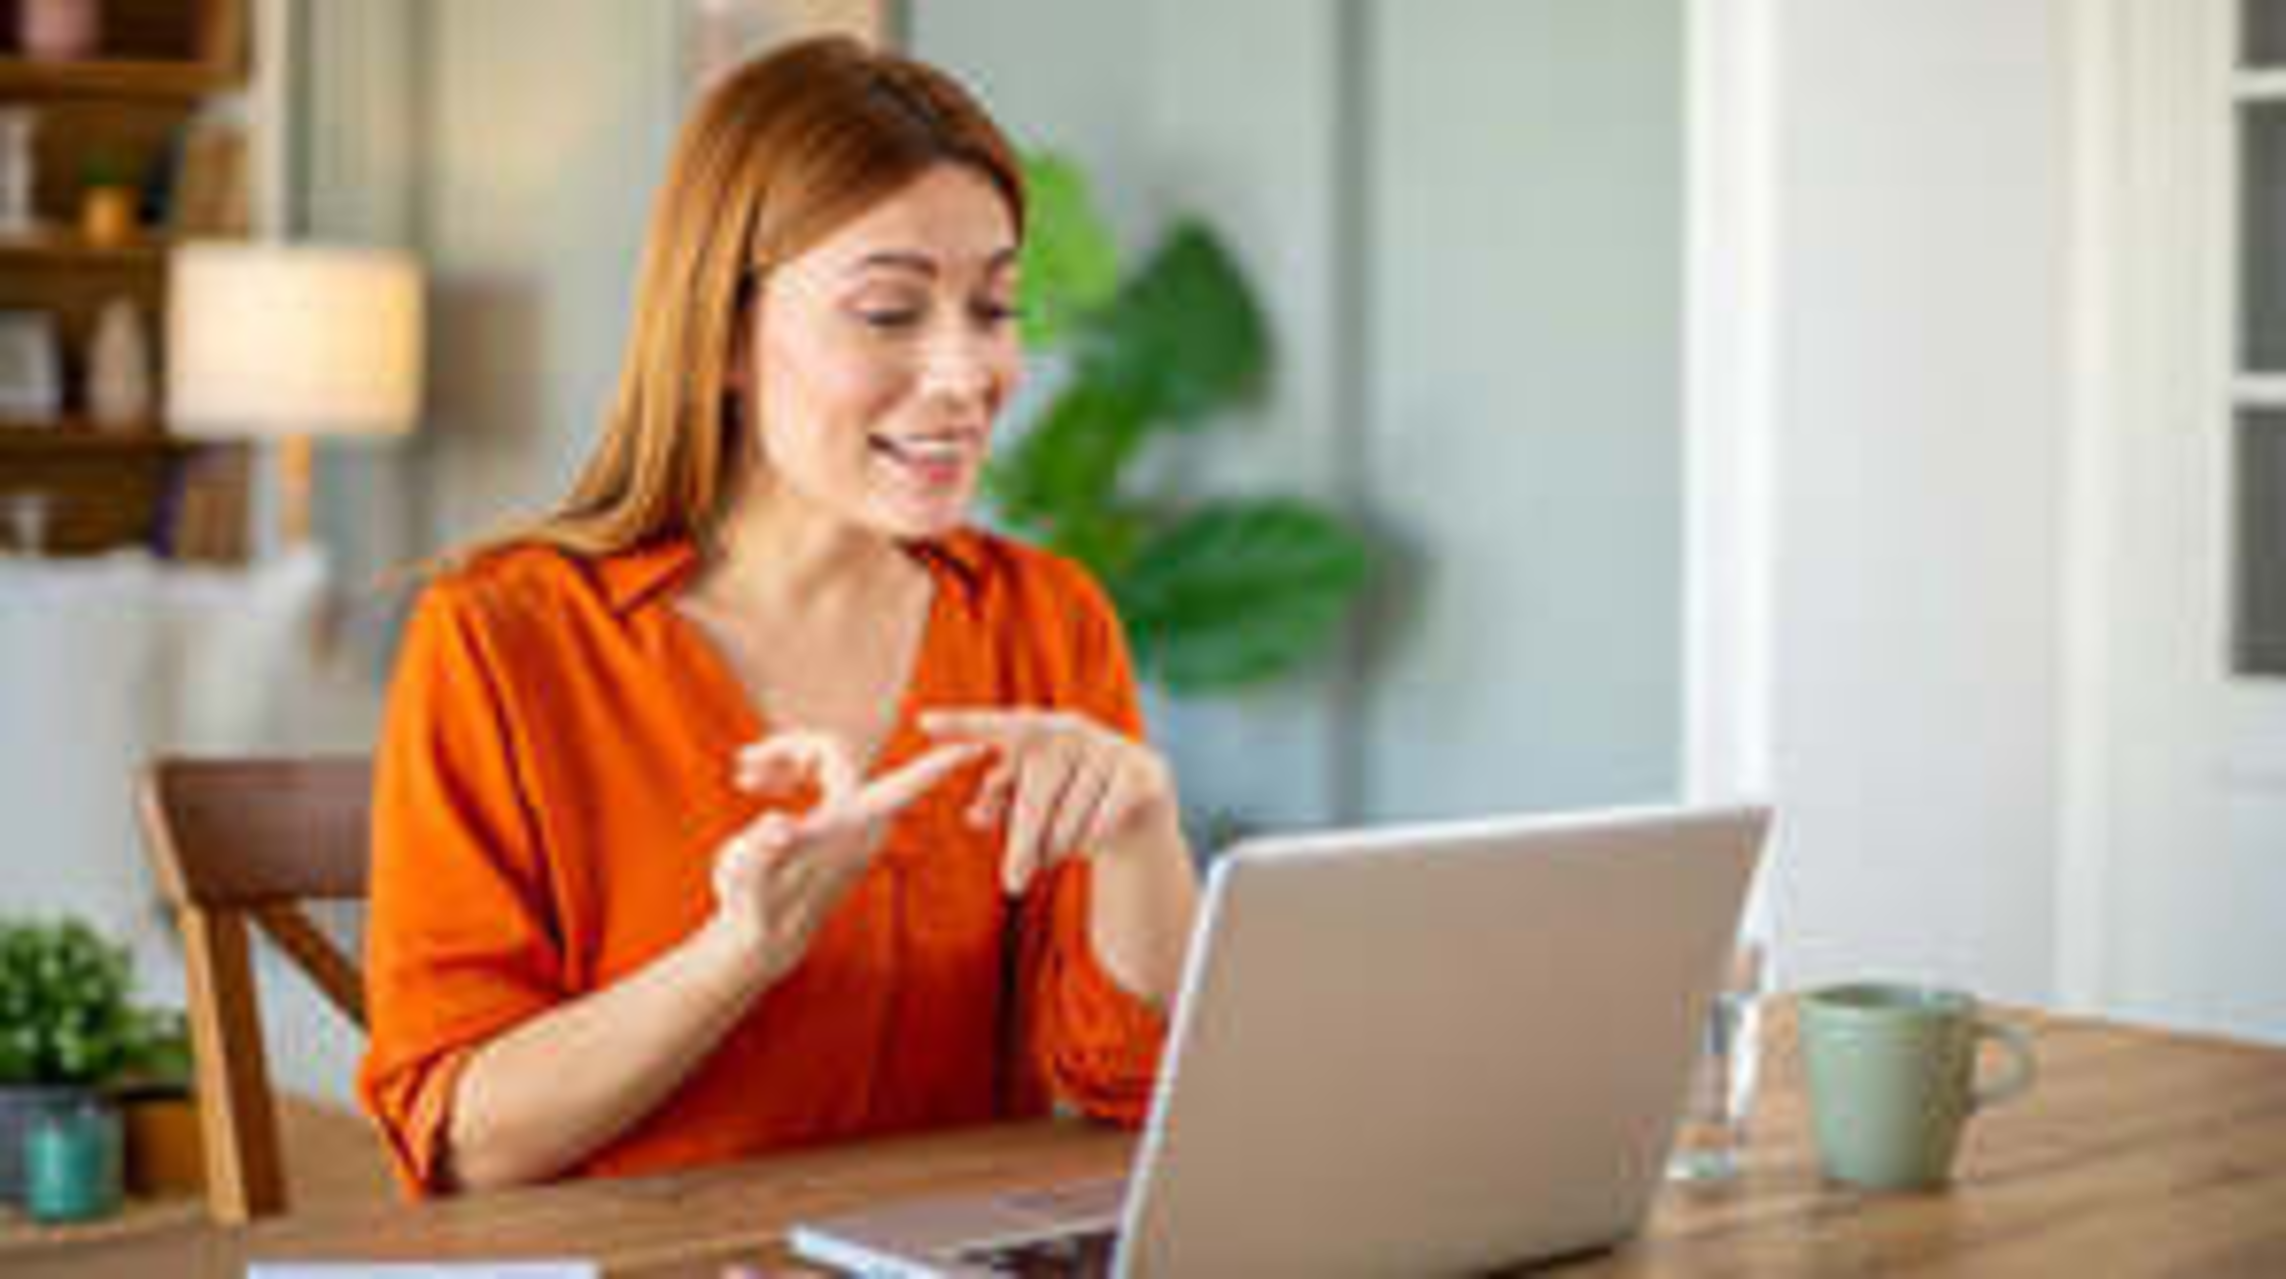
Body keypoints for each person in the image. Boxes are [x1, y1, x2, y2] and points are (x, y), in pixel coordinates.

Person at [357, 36, 1201, 1196]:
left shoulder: (1044, 620)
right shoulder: (503, 636)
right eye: (891, 312)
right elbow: (467, 1140)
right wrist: (739, 953)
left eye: (993, 306)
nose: (966, 373)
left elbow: (1135, 1088)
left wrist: (1141, 833)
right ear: (724, 337)